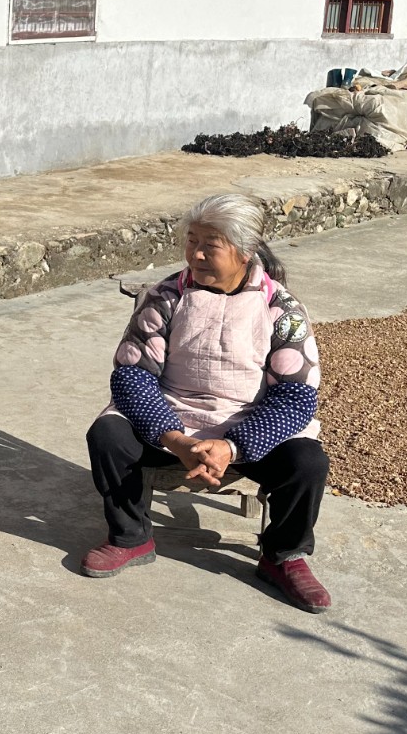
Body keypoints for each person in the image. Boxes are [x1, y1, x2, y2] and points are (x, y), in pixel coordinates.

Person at [83, 193, 334, 613]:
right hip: (171, 419)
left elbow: (295, 397)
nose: (196, 254)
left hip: (248, 426)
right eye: (191, 241)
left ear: (244, 251)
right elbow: (132, 376)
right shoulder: (165, 297)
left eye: (210, 245)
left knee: (307, 461)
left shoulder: (281, 308)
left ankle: (283, 556)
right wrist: (176, 439)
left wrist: (231, 446)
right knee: (108, 434)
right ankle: (130, 536)